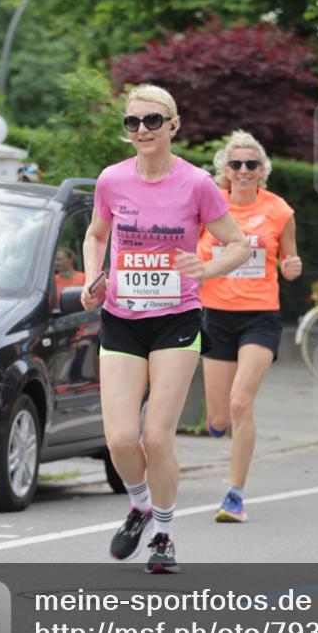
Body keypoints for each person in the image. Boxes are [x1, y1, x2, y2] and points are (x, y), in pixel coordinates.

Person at [80, 84, 250, 572]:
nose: (142, 131)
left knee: (156, 438)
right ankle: (139, 504)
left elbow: (237, 244)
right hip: (121, 318)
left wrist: (207, 269)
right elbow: (96, 234)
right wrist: (95, 275)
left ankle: (165, 535)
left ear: (173, 125)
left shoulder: (196, 183)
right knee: (119, 438)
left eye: (152, 120)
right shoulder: (112, 179)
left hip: (175, 318)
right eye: (132, 122)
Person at [196, 131, 302, 522]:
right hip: (216, 316)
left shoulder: (279, 211)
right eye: (236, 164)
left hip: (260, 316)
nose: (243, 171)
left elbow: (290, 261)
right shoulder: (209, 206)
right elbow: (193, 251)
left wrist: (292, 267)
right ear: (225, 169)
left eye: (251, 165)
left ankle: (235, 496)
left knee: (242, 403)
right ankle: (218, 422)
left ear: (262, 171)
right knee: (220, 417)